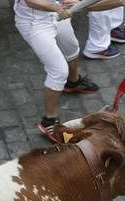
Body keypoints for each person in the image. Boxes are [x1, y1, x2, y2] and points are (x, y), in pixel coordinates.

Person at [14, 0, 114, 139]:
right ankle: (49, 121)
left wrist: (74, 3)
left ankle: (73, 82)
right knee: (58, 70)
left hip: (58, 11)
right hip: (34, 23)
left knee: (71, 47)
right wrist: (58, 7)